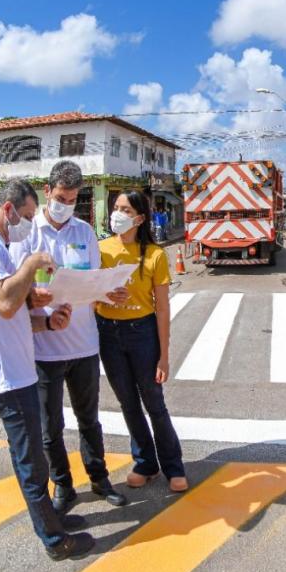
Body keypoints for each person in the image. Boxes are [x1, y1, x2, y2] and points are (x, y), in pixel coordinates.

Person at [0, 178, 94, 560]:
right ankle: (55, 540)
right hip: (7, 376)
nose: (29, 224)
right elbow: (3, 302)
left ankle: (51, 520)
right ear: (8, 210)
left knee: (31, 454)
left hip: (17, 368)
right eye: (28, 216)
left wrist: (47, 323)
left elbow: (14, 311)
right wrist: (33, 262)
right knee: (31, 461)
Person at [9, 161, 129, 514]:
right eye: (61, 197)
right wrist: (36, 299)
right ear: (47, 192)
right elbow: (16, 288)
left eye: (73, 199)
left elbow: (91, 282)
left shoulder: (84, 232)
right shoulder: (29, 234)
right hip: (44, 348)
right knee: (51, 427)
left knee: (89, 419)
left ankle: (99, 477)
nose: (66, 205)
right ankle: (62, 484)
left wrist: (109, 293)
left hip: (84, 345)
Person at [97, 191, 187, 492]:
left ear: (139, 218)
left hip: (143, 333)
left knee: (154, 402)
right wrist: (103, 294)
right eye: (116, 208)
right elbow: (88, 290)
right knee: (128, 403)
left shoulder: (155, 255)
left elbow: (162, 308)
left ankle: (173, 465)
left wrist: (163, 355)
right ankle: (146, 463)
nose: (117, 214)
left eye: (125, 209)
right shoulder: (99, 250)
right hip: (108, 333)